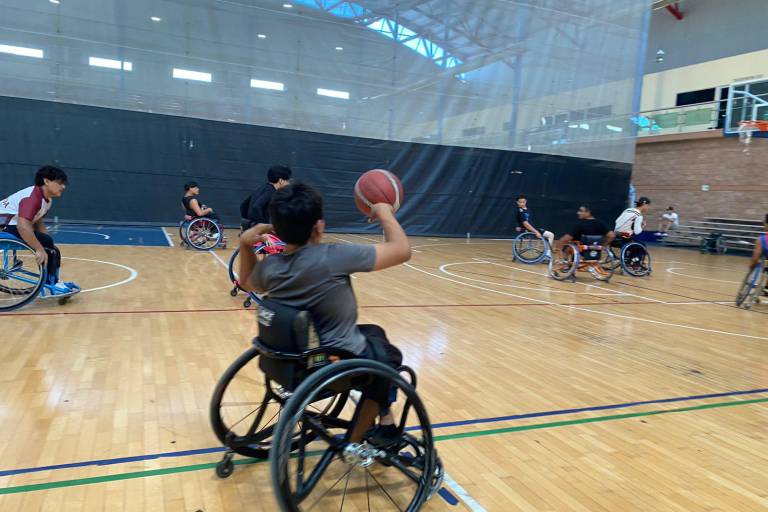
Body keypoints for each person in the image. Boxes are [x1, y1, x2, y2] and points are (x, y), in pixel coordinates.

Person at [238, 182, 410, 445]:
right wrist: (385, 211)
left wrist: (245, 245)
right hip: (330, 360)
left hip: (290, 357)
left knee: (375, 333)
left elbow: (248, 282)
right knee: (389, 360)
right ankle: (356, 440)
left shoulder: (271, 266)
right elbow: (401, 251)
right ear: (319, 226)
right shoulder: (334, 256)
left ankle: (385, 418)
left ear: (277, 229)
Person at [0, 165, 78, 291]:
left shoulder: (46, 199)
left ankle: (53, 281)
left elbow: (37, 221)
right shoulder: (33, 197)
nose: (63, 186)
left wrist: (46, 241)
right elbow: (23, 225)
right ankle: (52, 282)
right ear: (46, 181)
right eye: (60, 183)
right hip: (3, 226)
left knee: (50, 246)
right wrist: (39, 249)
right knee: (46, 244)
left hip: (8, 225)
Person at [239, 165, 292, 230]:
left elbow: (243, 205)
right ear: (281, 180)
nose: (288, 183)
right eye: (287, 180)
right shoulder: (271, 192)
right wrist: (263, 226)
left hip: (251, 230)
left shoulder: (262, 187)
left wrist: (247, 223)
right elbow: (256, 207)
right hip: (258, 232)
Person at [182, 181, 227, 247]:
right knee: (215, 216)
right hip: (198, 221)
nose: (198, 189)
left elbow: (187, 210)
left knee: (212, 217)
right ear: (190, 188)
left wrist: (200, 207)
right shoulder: (193, 200)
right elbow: (199, 213)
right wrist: (208, 209)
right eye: (196, 188)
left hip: (192, 220)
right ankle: (215, 234)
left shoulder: (184, 199)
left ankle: (190, 239)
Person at [515, 194, 554, 260]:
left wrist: (518, 226)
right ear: (517, 202)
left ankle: (547, 254)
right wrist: (536, 232)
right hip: (527, 231)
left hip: (531, 229)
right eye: (520, 202)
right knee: (550, 235)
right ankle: (546, 256)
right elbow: (525, 224)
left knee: (550, 235)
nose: (522, 203)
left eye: (523, 202)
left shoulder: (527, 209)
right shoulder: (520, 211)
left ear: (526, 201)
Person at [749, 214, 768, 297]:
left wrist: (752, 265)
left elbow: (755, 258)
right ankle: (766, 288)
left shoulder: (761, 240)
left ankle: (756, 289)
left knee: (760, 265)